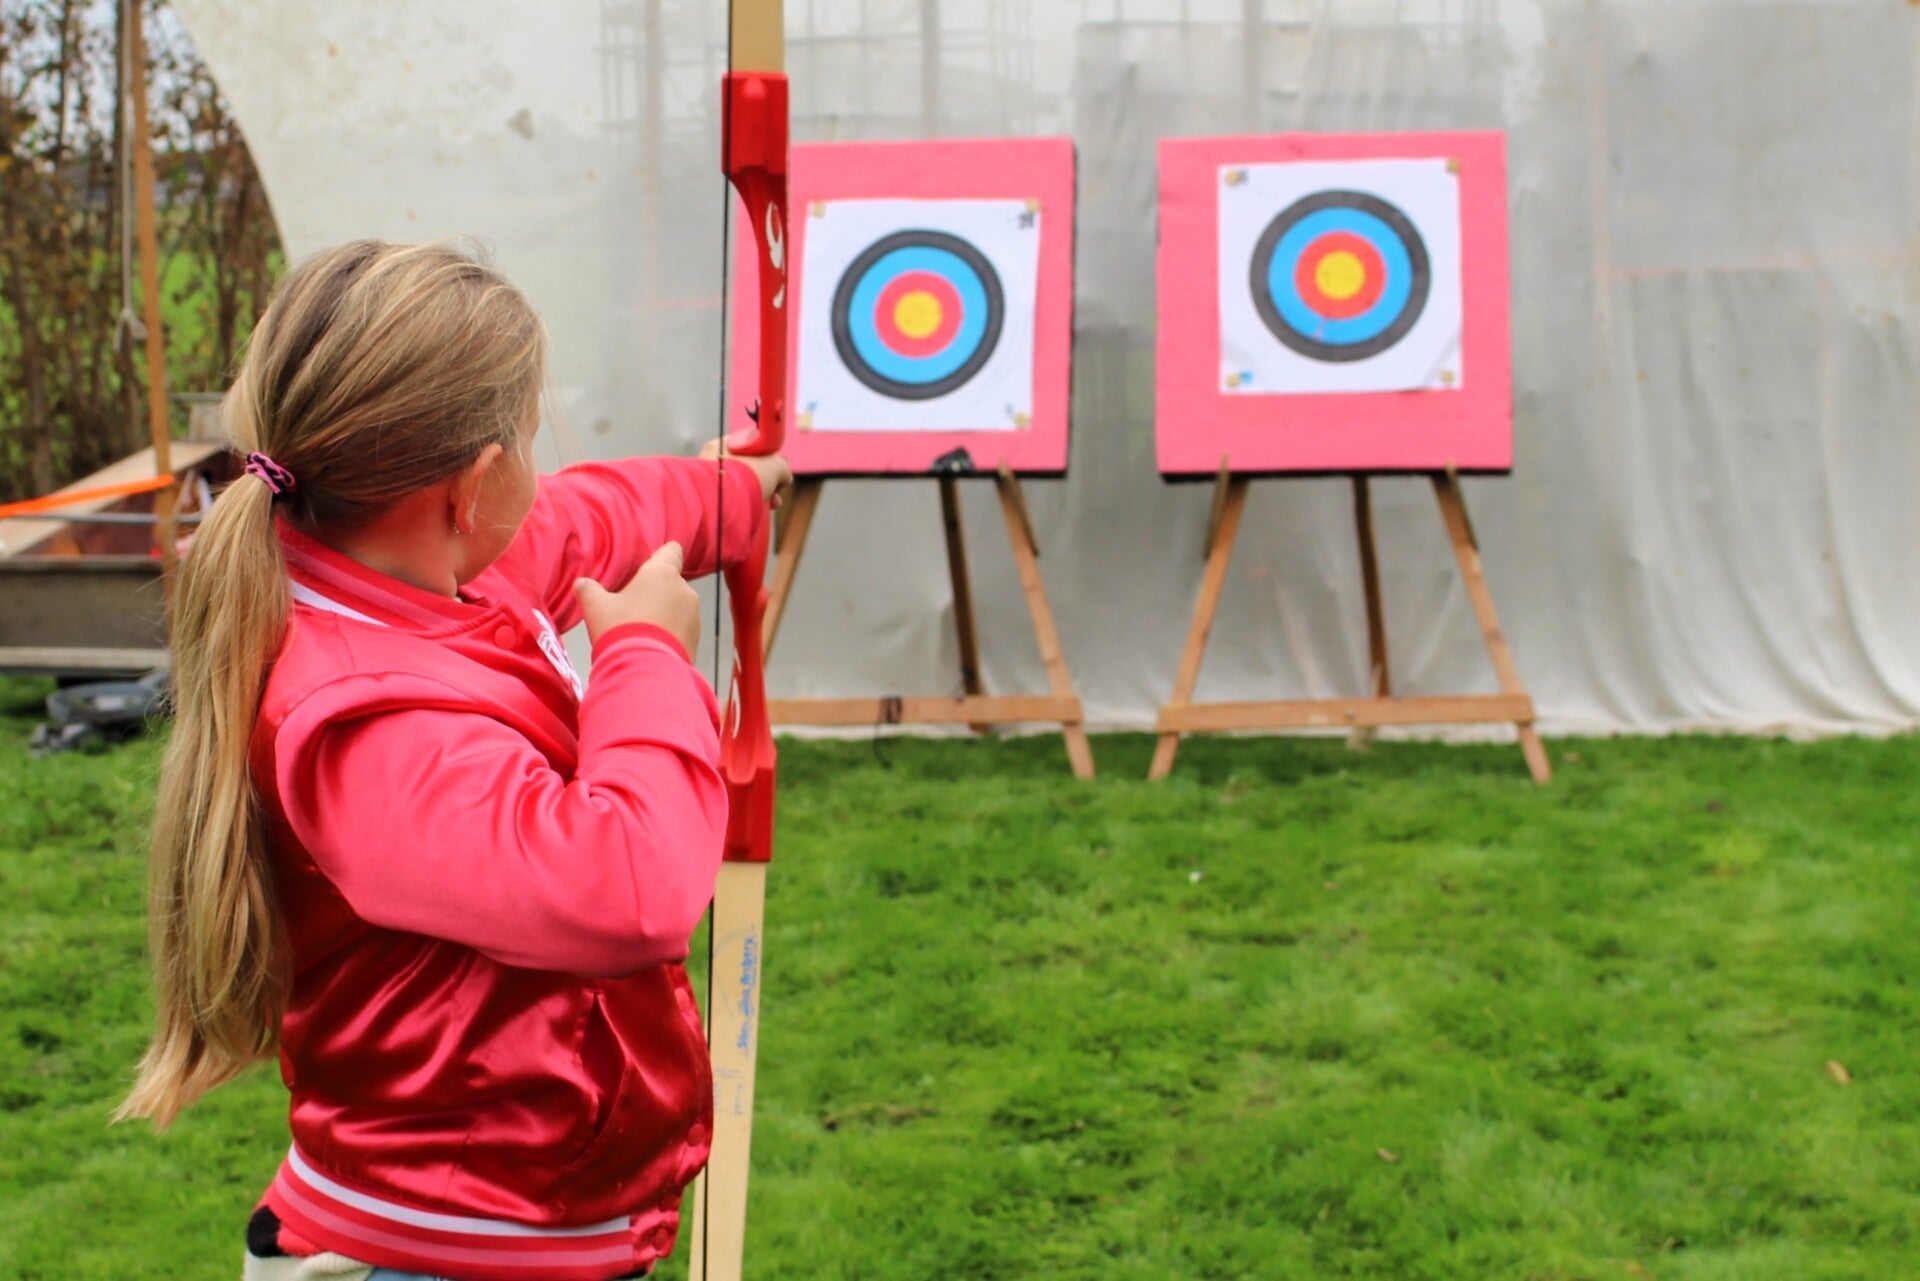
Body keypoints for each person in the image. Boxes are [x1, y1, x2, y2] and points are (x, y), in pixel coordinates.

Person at [116, 240, 790, 1281]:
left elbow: (592, 519)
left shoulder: (416, 569)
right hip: (445, 1248)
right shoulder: (365, 720)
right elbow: (625, 888)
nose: (538, 473)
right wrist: (645, 655)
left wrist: (731, 494)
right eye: (526, 441)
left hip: (505, 1224)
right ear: (473, 487)